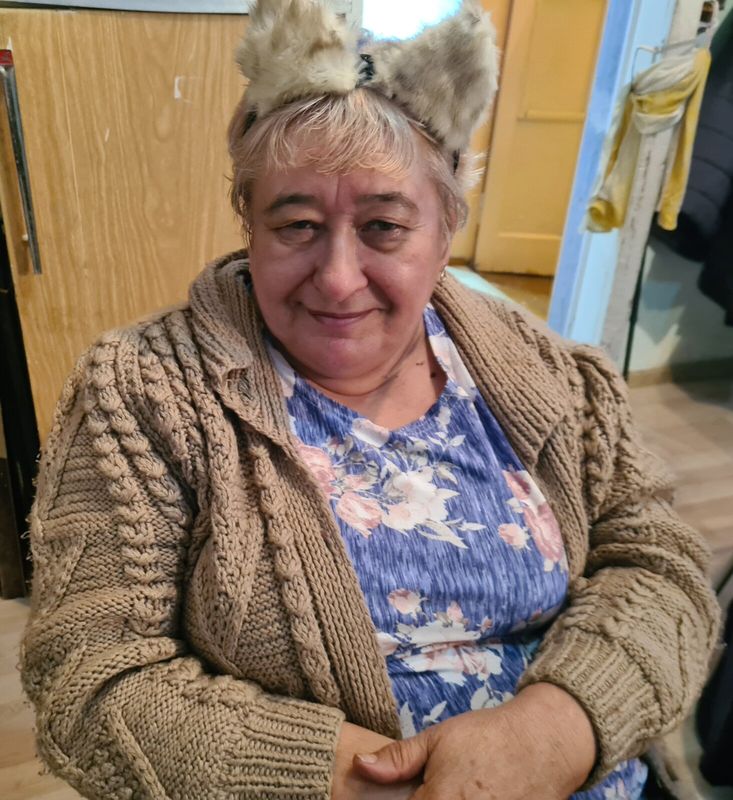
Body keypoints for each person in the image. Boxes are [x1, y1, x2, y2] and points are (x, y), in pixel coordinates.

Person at [21, 1, 720, 798]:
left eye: (384, 226)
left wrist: (555, 730)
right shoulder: (142, 391)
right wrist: (370, 782)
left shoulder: (553, 374)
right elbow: (91, 677)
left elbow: (657, 565)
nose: (337, 277)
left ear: (445, 228)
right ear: (248, 222)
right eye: (296, 224)